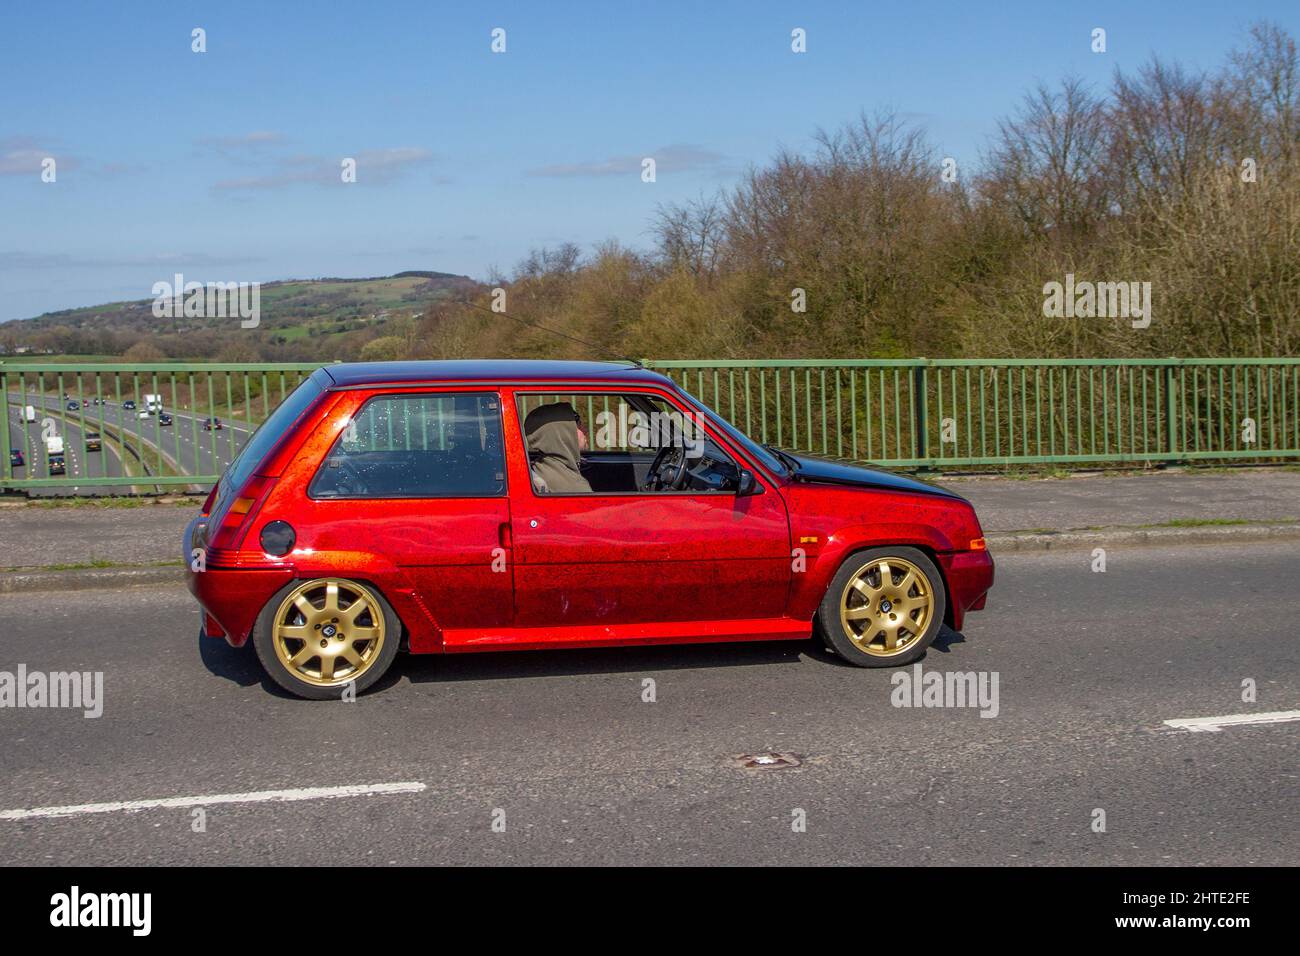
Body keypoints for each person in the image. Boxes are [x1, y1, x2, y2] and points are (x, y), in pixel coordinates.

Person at [523, 402, 592, 493]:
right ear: (562, 434)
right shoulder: (575, 487)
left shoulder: (541, 468)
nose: (585, 430)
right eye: (578, 425)